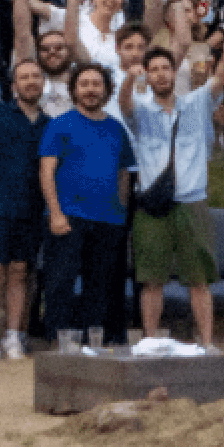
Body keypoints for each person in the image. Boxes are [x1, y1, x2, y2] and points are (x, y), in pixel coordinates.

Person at [118, 39, 224, 349]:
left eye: (166, 68)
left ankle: (206, 342)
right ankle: (151, 341)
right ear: (148, 77)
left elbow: (219, 80)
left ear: (174, 71)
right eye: (153, 70)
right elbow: (124, 104)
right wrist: (130, 77)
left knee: (199, 280)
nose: (161, 74)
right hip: (153, 205)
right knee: (151, 279)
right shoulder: (140, 109)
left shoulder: (196, 103)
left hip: (192, 201)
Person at [38, 62, 136, 351]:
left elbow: (124, 173)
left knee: (100, 285)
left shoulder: (116, 129)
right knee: (60, 283)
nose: (91, 89)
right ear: (74, 90)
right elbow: (46, 172)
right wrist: (55, 212)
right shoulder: (59, 125)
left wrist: (121, 211)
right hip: (67, 216)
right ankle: (58, 341)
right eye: (85, 84)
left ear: (106, 90)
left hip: (108, 220)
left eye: (97, 84)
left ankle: (95, 342)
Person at [0, 52, 49, 359]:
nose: (31, 82)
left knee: (19, 272)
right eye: (24, 78)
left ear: (43, 84)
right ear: (14, 85)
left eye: (35, 77)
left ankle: (14, 335)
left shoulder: (51, 124)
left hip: (31, 208)